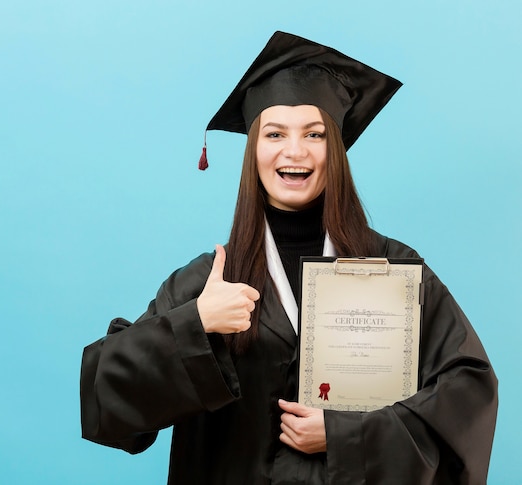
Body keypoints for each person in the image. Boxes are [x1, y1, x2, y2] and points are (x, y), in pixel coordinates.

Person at [80, 31, 497, 484]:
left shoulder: (393, 270)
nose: (294, 151)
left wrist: (345, 435)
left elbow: (469, 392)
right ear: (253, 150)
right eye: (275, 133)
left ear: (333, 150)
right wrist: (194, 324)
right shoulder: (210, 281)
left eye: (314, 134)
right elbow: (105, 401)